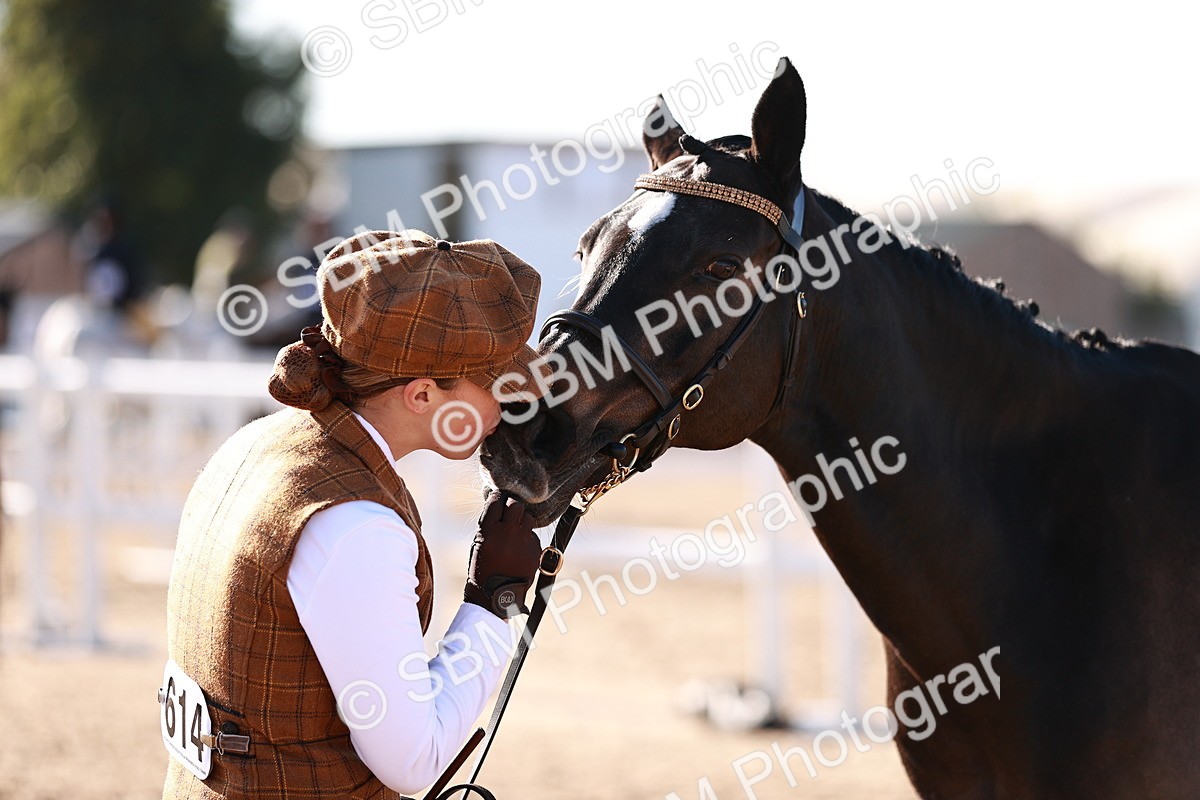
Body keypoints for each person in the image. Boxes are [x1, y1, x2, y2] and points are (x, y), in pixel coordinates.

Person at [162, 229, 546, 799]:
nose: (513, 400)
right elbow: (415, 760)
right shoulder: (354, 524)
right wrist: (493, 601)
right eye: (497, 382)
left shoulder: (254, 445)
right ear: (421, 396)